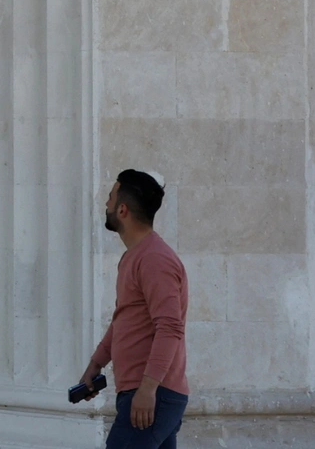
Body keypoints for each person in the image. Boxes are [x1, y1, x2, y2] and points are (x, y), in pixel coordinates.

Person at [81, 170, 189, 449]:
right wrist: (96, 365)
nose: (105, 204)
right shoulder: (135, 256)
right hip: (146, 392)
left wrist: (148, 388)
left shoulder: (154, 259)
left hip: (153, 394)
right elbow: (123, 320)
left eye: (109, 197)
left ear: (122, 209)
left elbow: (170, 327)